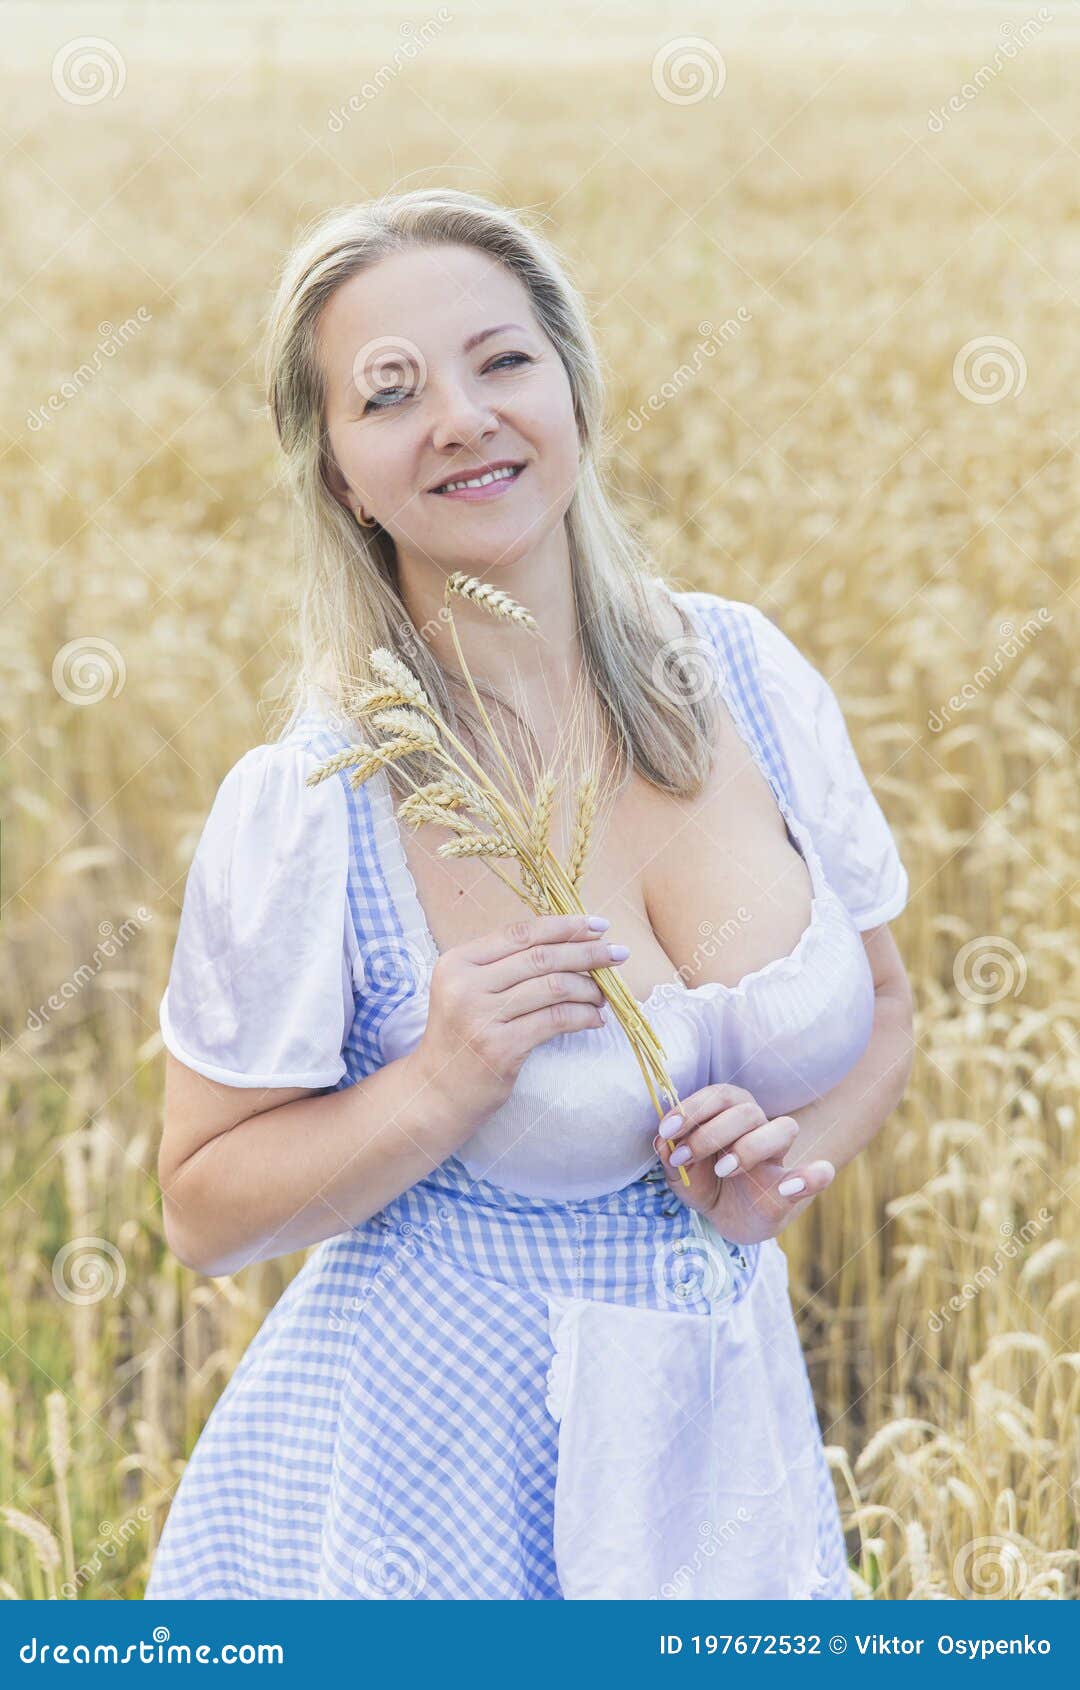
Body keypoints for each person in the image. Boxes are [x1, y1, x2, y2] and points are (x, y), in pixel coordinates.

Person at [144, 188, 914, 1600]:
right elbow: (202, 1208)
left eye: (501, 361)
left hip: (718, 1458)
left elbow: (886, 1002)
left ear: (573, 387)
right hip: (424, 1505)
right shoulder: (319, 800)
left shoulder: (745, 673)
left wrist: (777, 1171)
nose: (460, 417)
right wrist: (436, 1086)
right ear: (339, 476)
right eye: (390, 394)